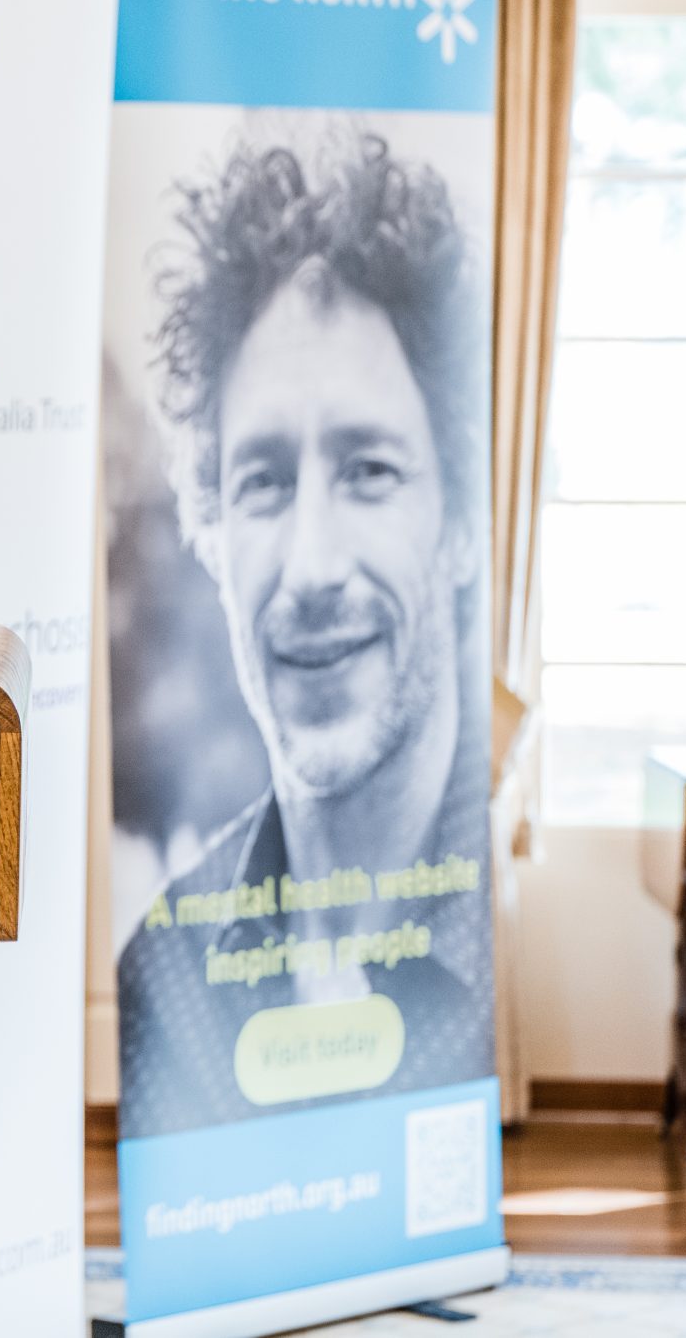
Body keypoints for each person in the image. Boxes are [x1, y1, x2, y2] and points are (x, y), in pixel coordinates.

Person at [115, 131, 492, 1138]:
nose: (313, 566)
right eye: (265, 482)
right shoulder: (163, 970)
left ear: (460, 522)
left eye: (369, 471)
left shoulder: (506, 927)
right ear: (211, 533)